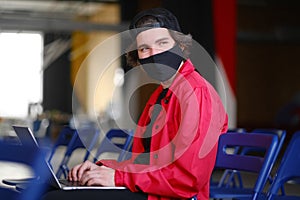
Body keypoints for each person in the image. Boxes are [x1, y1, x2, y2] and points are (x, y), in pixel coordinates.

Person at [42, 7, 228, 200]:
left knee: (56, 198)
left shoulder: (196, 93)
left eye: (162, 43)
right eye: (144, 48)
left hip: (170, 196)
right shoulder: (159, 96)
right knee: (51, 191)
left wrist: (119, 177)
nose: (153, 54)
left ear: (180, 46)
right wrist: (103, 168)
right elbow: (143, 161)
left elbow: (188, 179)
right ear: (137, 57)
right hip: (149, 190)